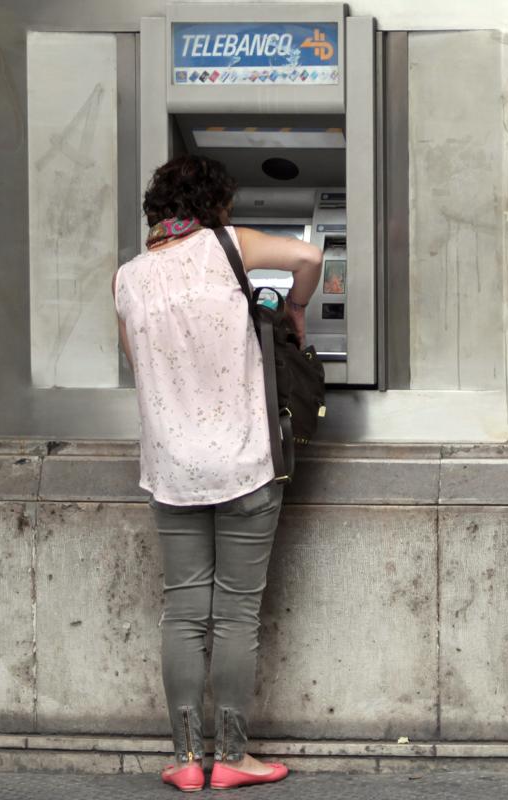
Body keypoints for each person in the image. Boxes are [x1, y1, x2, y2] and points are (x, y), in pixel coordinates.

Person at [112, 154, 323, 792]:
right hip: (244, 463)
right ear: (217, 206)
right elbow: (310, 260)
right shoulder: (229, 245)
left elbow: (138, 364)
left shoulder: (129, 277)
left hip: (172, 470)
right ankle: (232, 756)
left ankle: (184, 761)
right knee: (234, 615)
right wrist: (295, 310)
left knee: (183, 613)